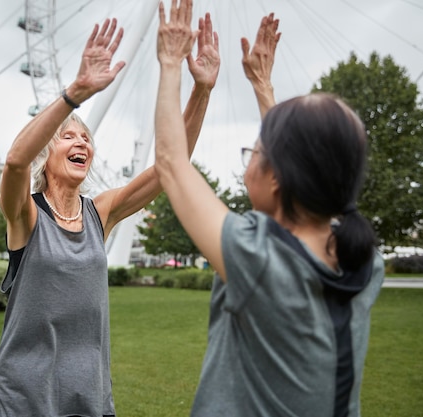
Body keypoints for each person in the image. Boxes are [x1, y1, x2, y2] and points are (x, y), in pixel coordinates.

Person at [0, 6, 220, 416]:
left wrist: (201, 90)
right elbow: (15, 163)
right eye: (68, 136)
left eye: (86, 138)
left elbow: (169, 167)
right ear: (48, 152)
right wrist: (76, 93)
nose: (82, 143)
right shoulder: (26, 216)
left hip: (88, 398)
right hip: (24, 399)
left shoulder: (100, 212)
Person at [154, 5, 384, 417]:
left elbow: (172, 163)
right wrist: (262, 87)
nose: (249, 160)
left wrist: (171, 61)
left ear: (276, 175)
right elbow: (303, 166)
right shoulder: (364, 260)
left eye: (255, 151)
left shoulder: (259, 259)